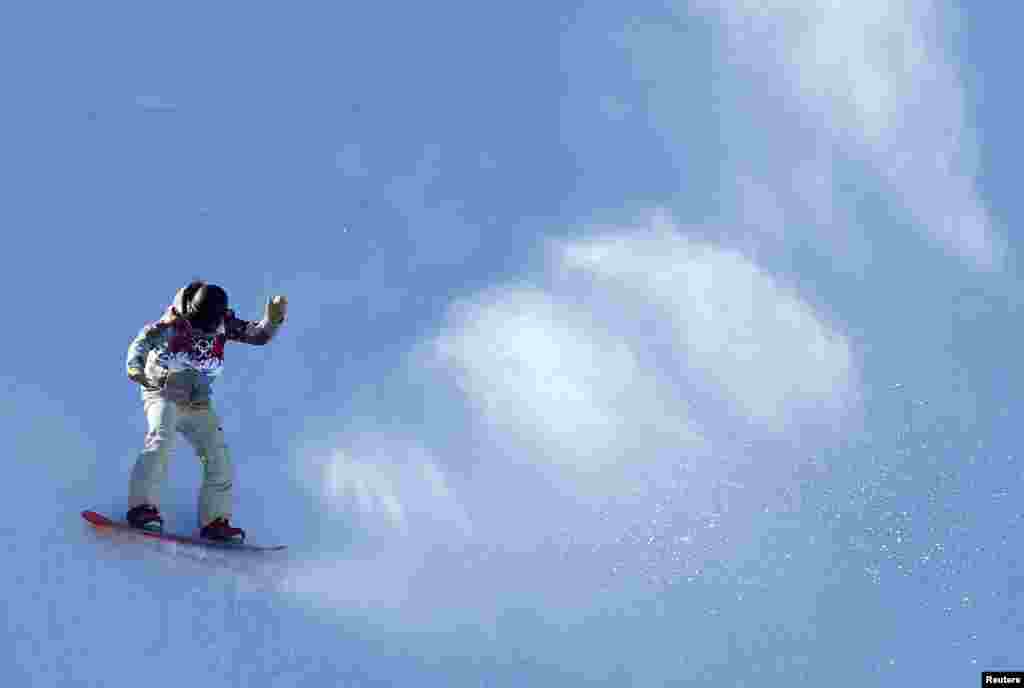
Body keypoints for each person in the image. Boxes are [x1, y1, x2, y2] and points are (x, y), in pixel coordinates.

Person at [124, 281, 288, 541]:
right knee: (161, 439)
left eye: (209, 329)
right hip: (163, 392)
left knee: (218, 455)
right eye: (199, 327)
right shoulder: (171, 325)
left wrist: (273, 320)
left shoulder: (224, 324)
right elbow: (140, 344)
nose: (205, 333)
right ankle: (141, 508)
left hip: (197, 402)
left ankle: (215, 521)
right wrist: (135, 367)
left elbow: (258, 336)